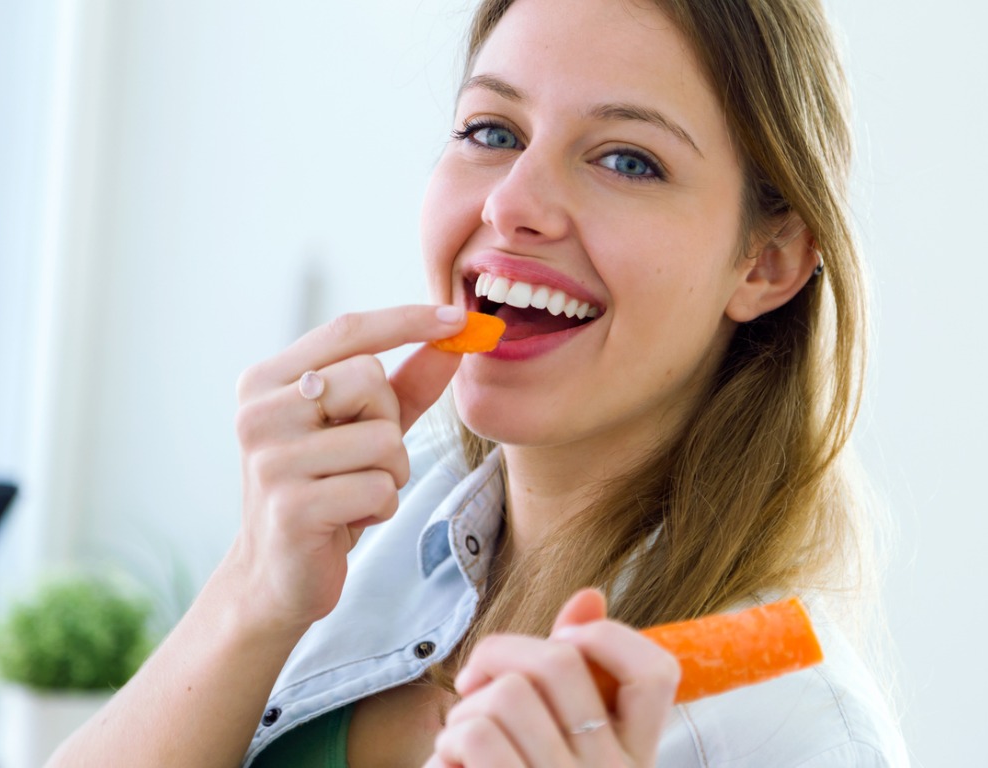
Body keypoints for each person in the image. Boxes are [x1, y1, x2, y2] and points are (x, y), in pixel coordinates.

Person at [50, 0, 909, 765]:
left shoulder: (805, 736)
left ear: (768, 262)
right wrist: (252, 590)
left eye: (627, 160)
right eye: (493, 133)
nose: (512, 203)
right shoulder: (377, 528)